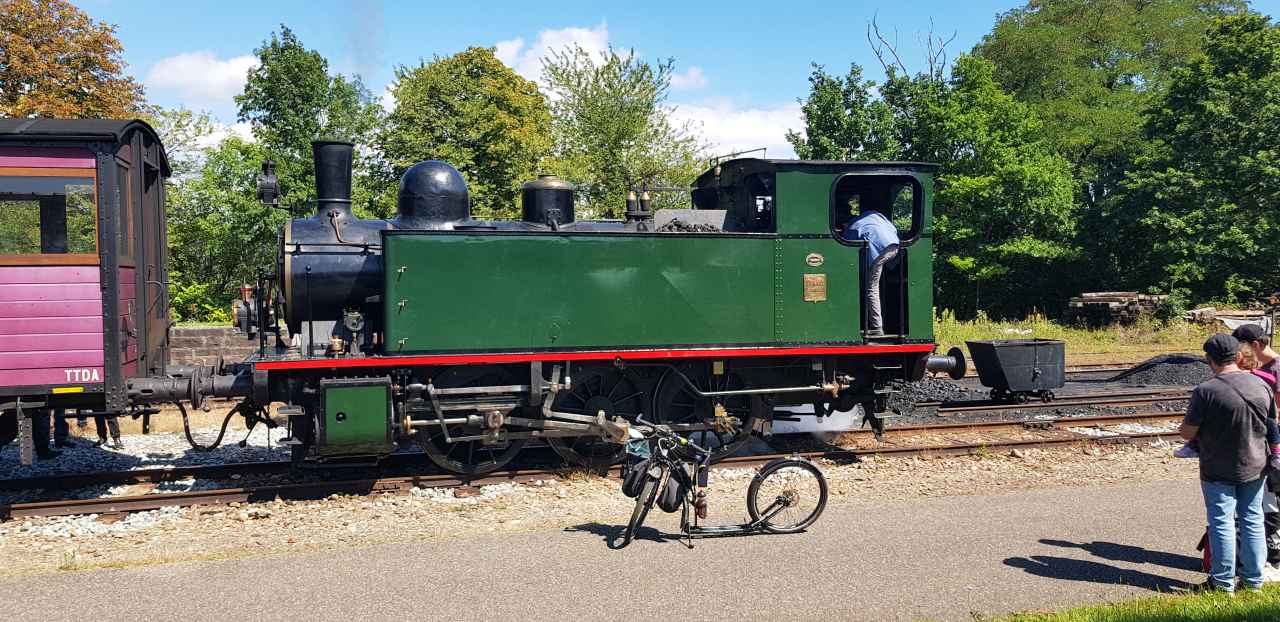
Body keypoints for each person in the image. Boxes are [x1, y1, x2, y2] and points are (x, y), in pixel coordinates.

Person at [1180, 333, 1276, 592]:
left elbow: (1188, 432)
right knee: (1253, 519)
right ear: (1238, 356)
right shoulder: (1261, 385)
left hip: (1217, 468)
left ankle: (1222, 583)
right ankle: (1253, 582)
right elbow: (1272, 424)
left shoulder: (1206, 391)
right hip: (1256, 465)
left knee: (1222, 522)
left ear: (1209, 360)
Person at [841, 206, 900, 336]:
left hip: (879, 251)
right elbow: (892, 228)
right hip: (894, 245)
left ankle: (877, 327)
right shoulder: (871, 214)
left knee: (871, 287)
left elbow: (844, 248)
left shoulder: (851, 228)